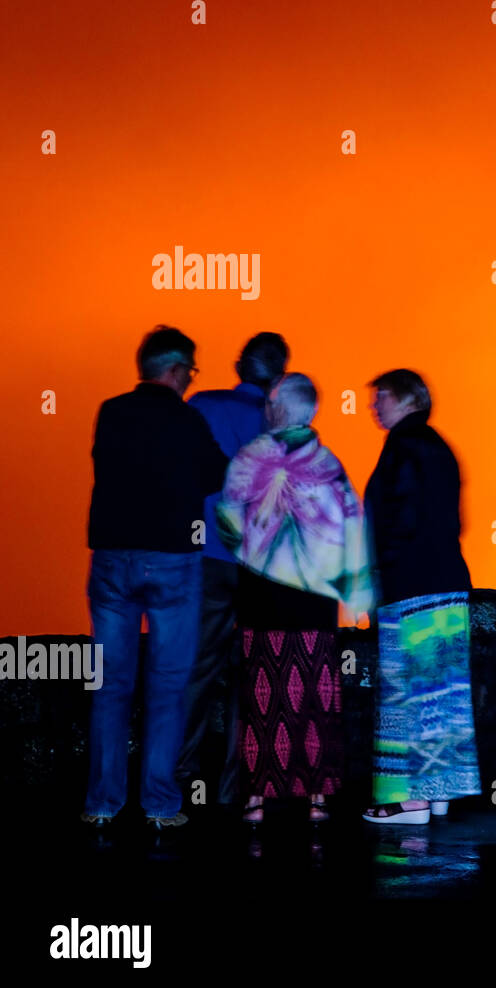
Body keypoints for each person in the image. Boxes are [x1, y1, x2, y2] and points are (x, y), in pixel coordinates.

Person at [83, 326, 228, 831]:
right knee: (167, 686)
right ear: (177, 370)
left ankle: (102, 803)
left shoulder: (112, 411)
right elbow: (216, 476)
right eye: (191, 371)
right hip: (172, 562)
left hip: (111, 562)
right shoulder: (188, 420)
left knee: (111, 685)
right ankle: (161, 805)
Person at [217, 373, 372, 827]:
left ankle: (257, 798)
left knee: (262, 697)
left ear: (279, 409)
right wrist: (356, 593)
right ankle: (319, 796)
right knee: (315, 695)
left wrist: (261, 554)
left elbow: (228, 525)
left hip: (262, 598)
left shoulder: (248, 460)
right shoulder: (329, 465)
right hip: (315, 601)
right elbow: (352, 528)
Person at [176, 332, 289, 809]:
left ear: (238, 364)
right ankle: (236, 787)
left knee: (195, 669)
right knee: (252, 676)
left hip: (203, 560)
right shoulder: (275, 423)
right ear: (279, 377)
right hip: (256, 566)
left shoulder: (200, 403)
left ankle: (178, 777)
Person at [361, 369, 479, 824]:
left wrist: (379, 575)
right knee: (442, 690)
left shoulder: (401, 448)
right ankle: (440, 792)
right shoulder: (439, 447)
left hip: (410, 585)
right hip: (447, 580)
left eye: (382, 396)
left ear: (409, 398)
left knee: (407, 689)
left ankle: (409, 801)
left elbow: (399, 521)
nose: (374, 405)